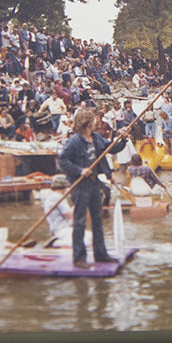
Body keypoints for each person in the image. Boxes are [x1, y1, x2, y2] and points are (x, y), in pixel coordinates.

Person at [57, 109, 129, 269]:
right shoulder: (75, 141)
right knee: (80, 221)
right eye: (93, 119)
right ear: (87, 122)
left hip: (94, 183)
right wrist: (79, 170)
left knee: (97, 220)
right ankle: (79, 257)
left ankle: (100, 254)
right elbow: (62, 161)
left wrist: (123, 139)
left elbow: (111, 148)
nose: (97, 121)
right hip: (80, 185)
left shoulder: (96, 137)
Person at [39, 174, 91, 248]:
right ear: (65, 188)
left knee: (91, 237)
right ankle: (56, 243)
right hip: (61, 229)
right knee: (86, 242)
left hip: (62, 228)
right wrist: (79, 203)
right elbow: (69, 215)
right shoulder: (58, 197)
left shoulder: (52, 197)